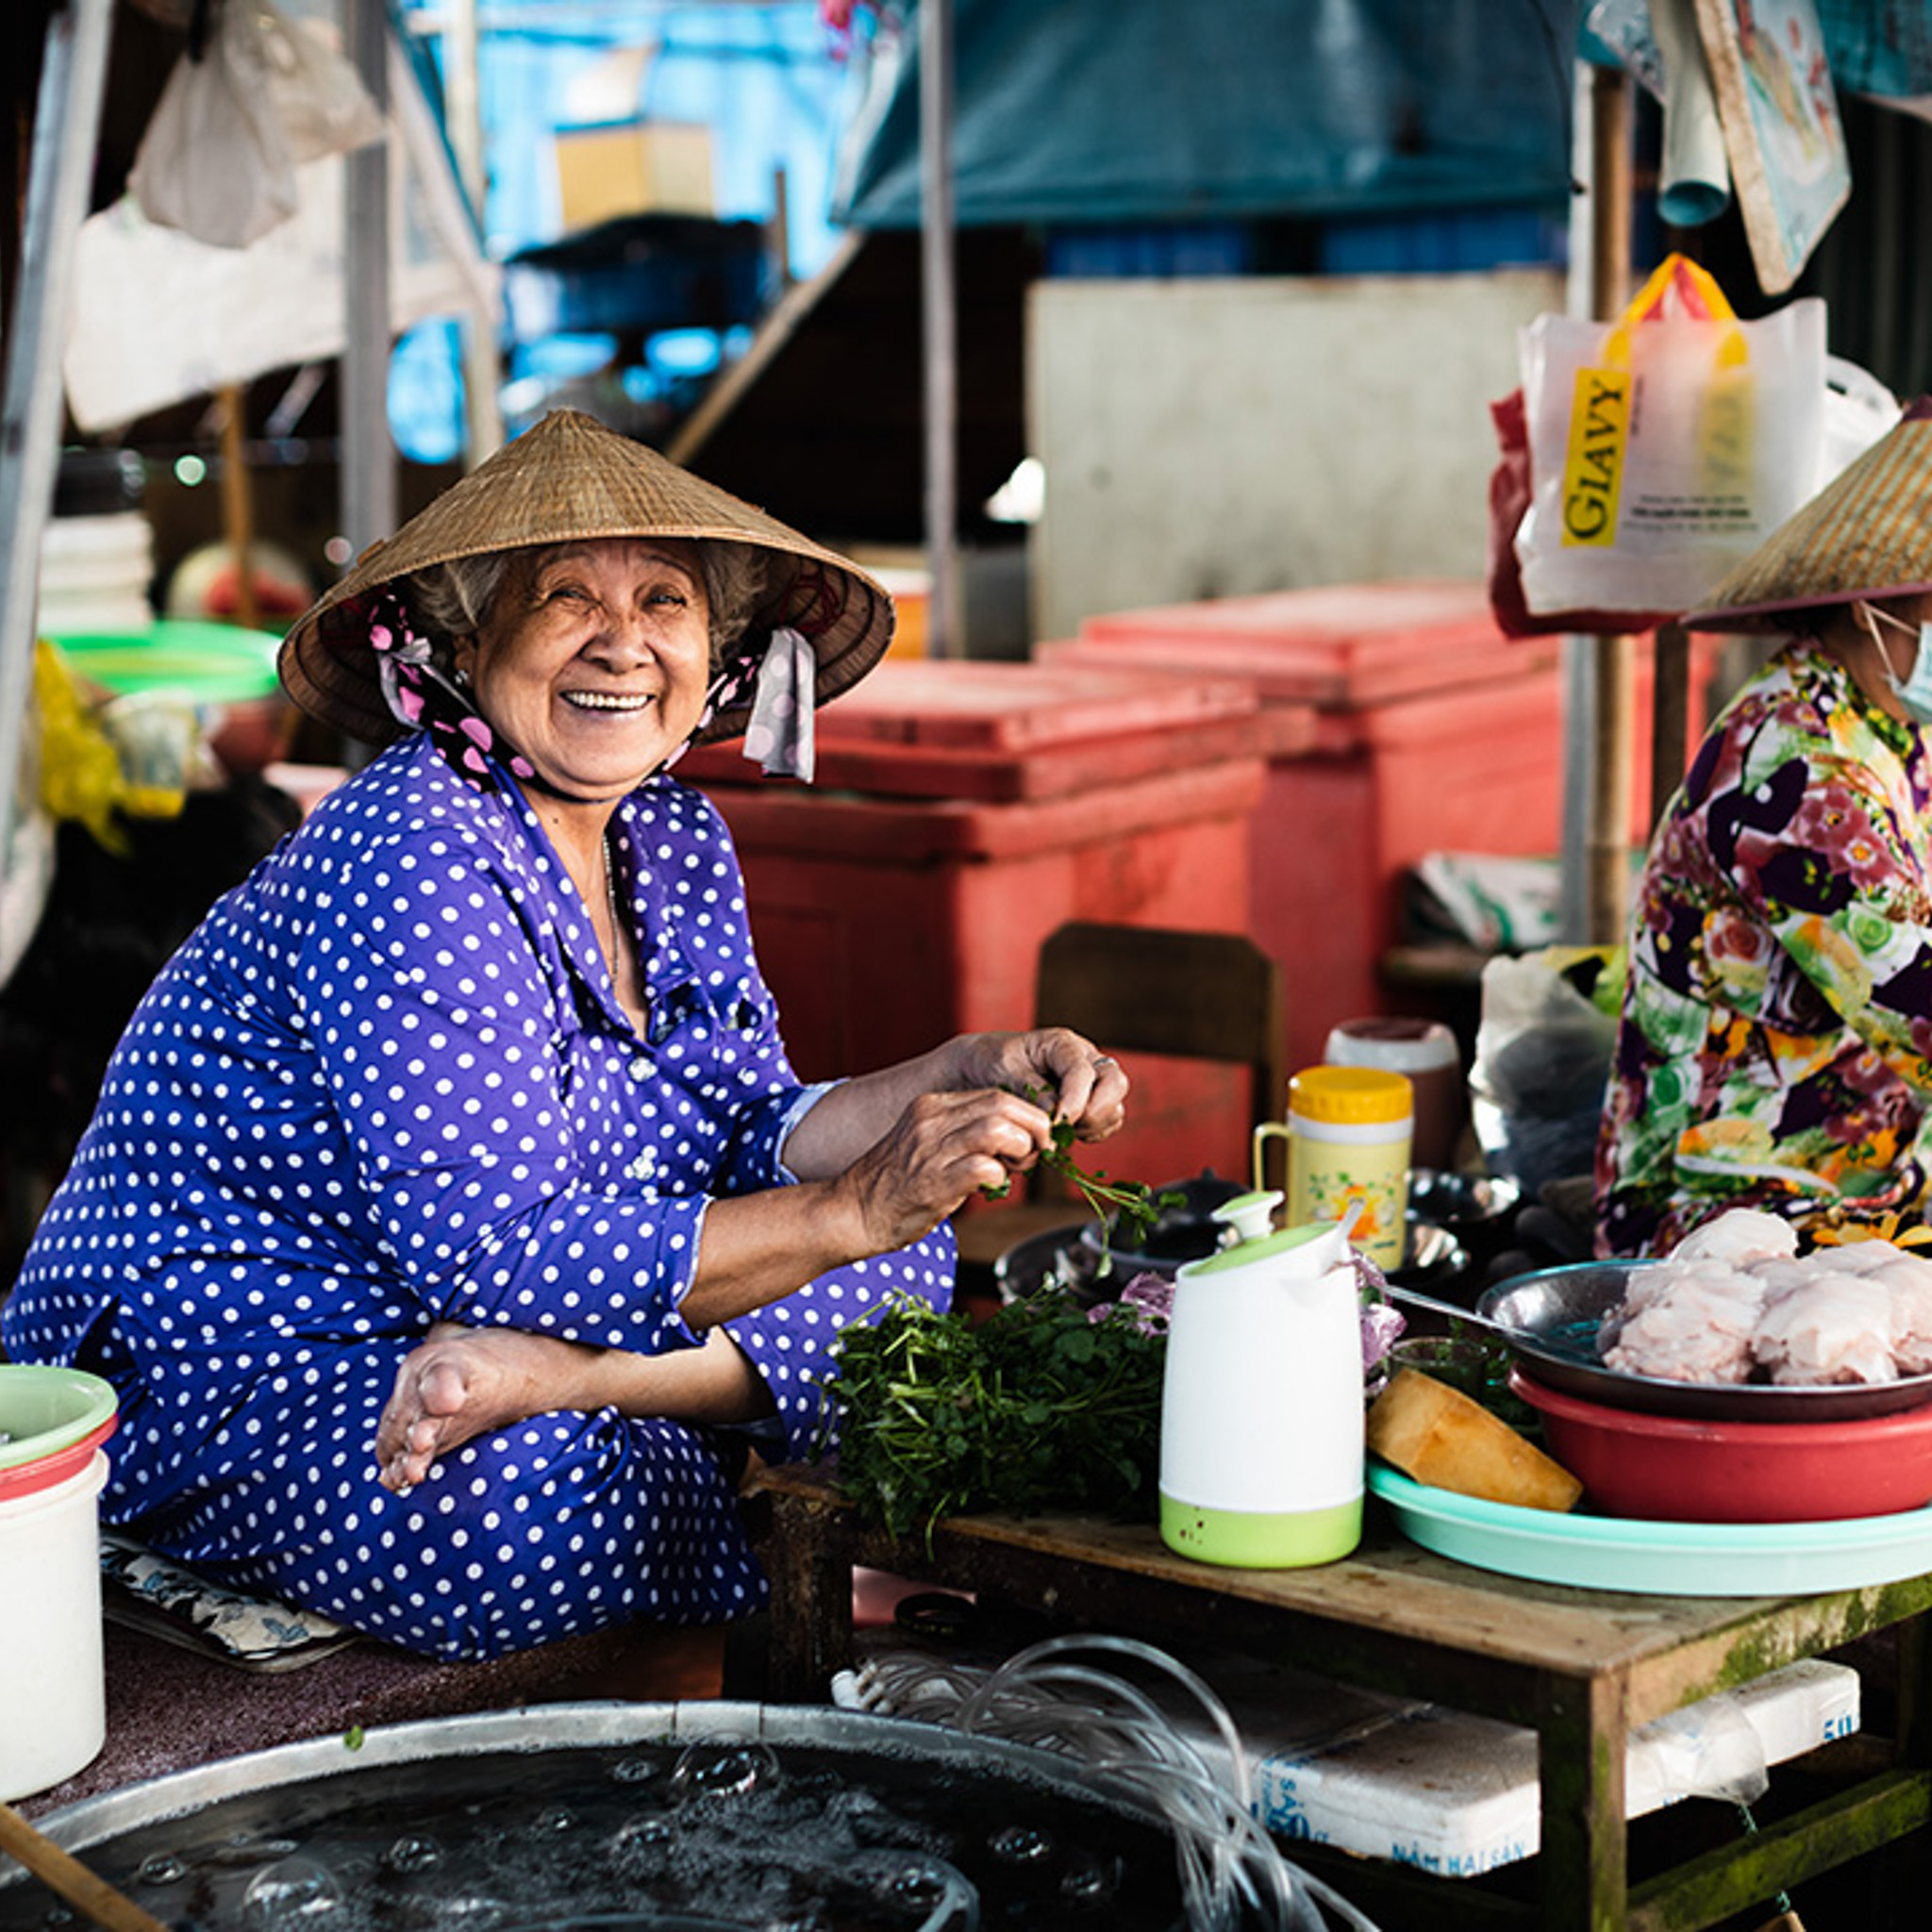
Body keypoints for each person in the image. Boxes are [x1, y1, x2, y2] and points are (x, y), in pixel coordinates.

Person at [1, 411, 1128, 1660]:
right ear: (464, 642)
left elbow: (748, 1126)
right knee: (520, 1499)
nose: (625, 645)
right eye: (563, 600)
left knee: (904, 1267)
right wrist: (849, 1212)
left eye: (665, 602)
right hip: (247, 1362)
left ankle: (585, 1384)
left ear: (721, 647)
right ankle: (612, 1422)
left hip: (515, 1331)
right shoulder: (411, 849)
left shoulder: (670, 836)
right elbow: (491, 1261)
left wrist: (953, 1075)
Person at [1595, 400, 1932, 1257]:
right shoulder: (1794, 769)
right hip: (1732, 1207)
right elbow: (1918, 997)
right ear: (1874, 608)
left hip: (1865, 1164)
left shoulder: (1889, 728)